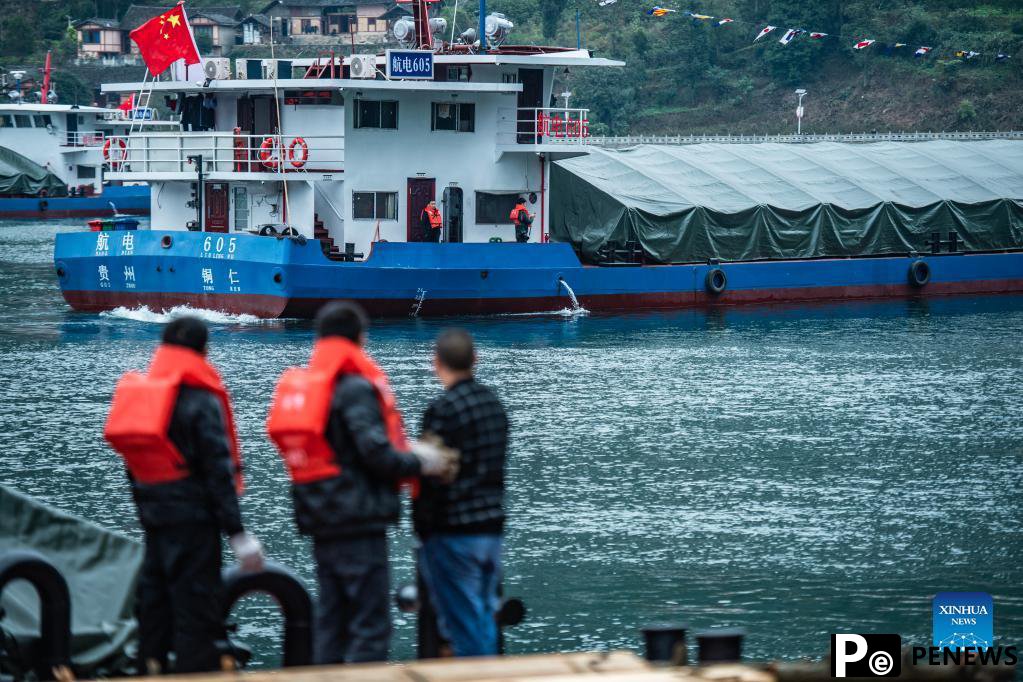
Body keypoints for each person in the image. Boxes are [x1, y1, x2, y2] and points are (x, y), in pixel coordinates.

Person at [267, 301, 458, 664]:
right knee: (370, 625)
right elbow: (376, 455)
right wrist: (422, 462)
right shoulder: (354, 388)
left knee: (331, 619)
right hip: (357, 520)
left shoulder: (314, 386)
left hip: (321, 517)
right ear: (359, 338)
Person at [104, 317, 264, 675]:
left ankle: (150, 666)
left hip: (155, 516)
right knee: (196, 609)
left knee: (154, 603)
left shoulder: (145, 394)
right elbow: (217, 470)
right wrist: (237, 532)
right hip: (194, 521)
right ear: (203, 350)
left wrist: (146, 509)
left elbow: (132, 461)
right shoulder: (199, 398)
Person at [414, 328, 509, 657]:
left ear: (436, 363)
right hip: (492, 526)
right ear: (475, 360)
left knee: (461, 623)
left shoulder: (442, 410)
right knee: (485, 611)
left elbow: (431, 474)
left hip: (454, 529)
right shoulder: (495, 405)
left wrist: (422, 526)